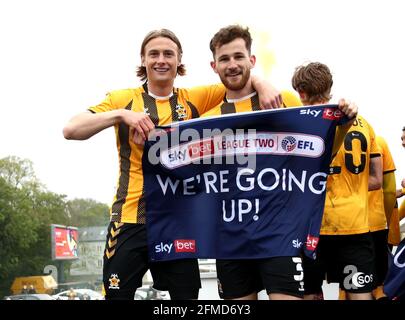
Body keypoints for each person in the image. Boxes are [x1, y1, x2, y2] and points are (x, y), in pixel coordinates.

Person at [63, 28, 282, 300]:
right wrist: (121, 115)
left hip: (178, 223)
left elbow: (236, 78)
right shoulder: (123, 99)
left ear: (180, 61)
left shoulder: (195, 98)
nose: (161, 60)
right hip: (130, 219)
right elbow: (71, 129)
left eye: (169, 54)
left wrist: (263, 84)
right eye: (153, 54)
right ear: (143, 59)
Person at [202, 26, 357, 300]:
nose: (233, 64)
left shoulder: (283, 101)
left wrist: (343, 126)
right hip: (230, 241)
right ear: (214, 65)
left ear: (252, 60)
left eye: (239, 56)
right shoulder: (208, 120)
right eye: (224, 59)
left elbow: (318, 158)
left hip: (280, 236)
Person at [292, 62, 382, 300]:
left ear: (301, 93)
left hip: (311, 227)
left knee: (310, 294)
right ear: (329, 86)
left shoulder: (299, 125)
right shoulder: (364, 125)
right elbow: (376, 178)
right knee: (360, 295)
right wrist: (352, 185)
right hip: (355, 225)